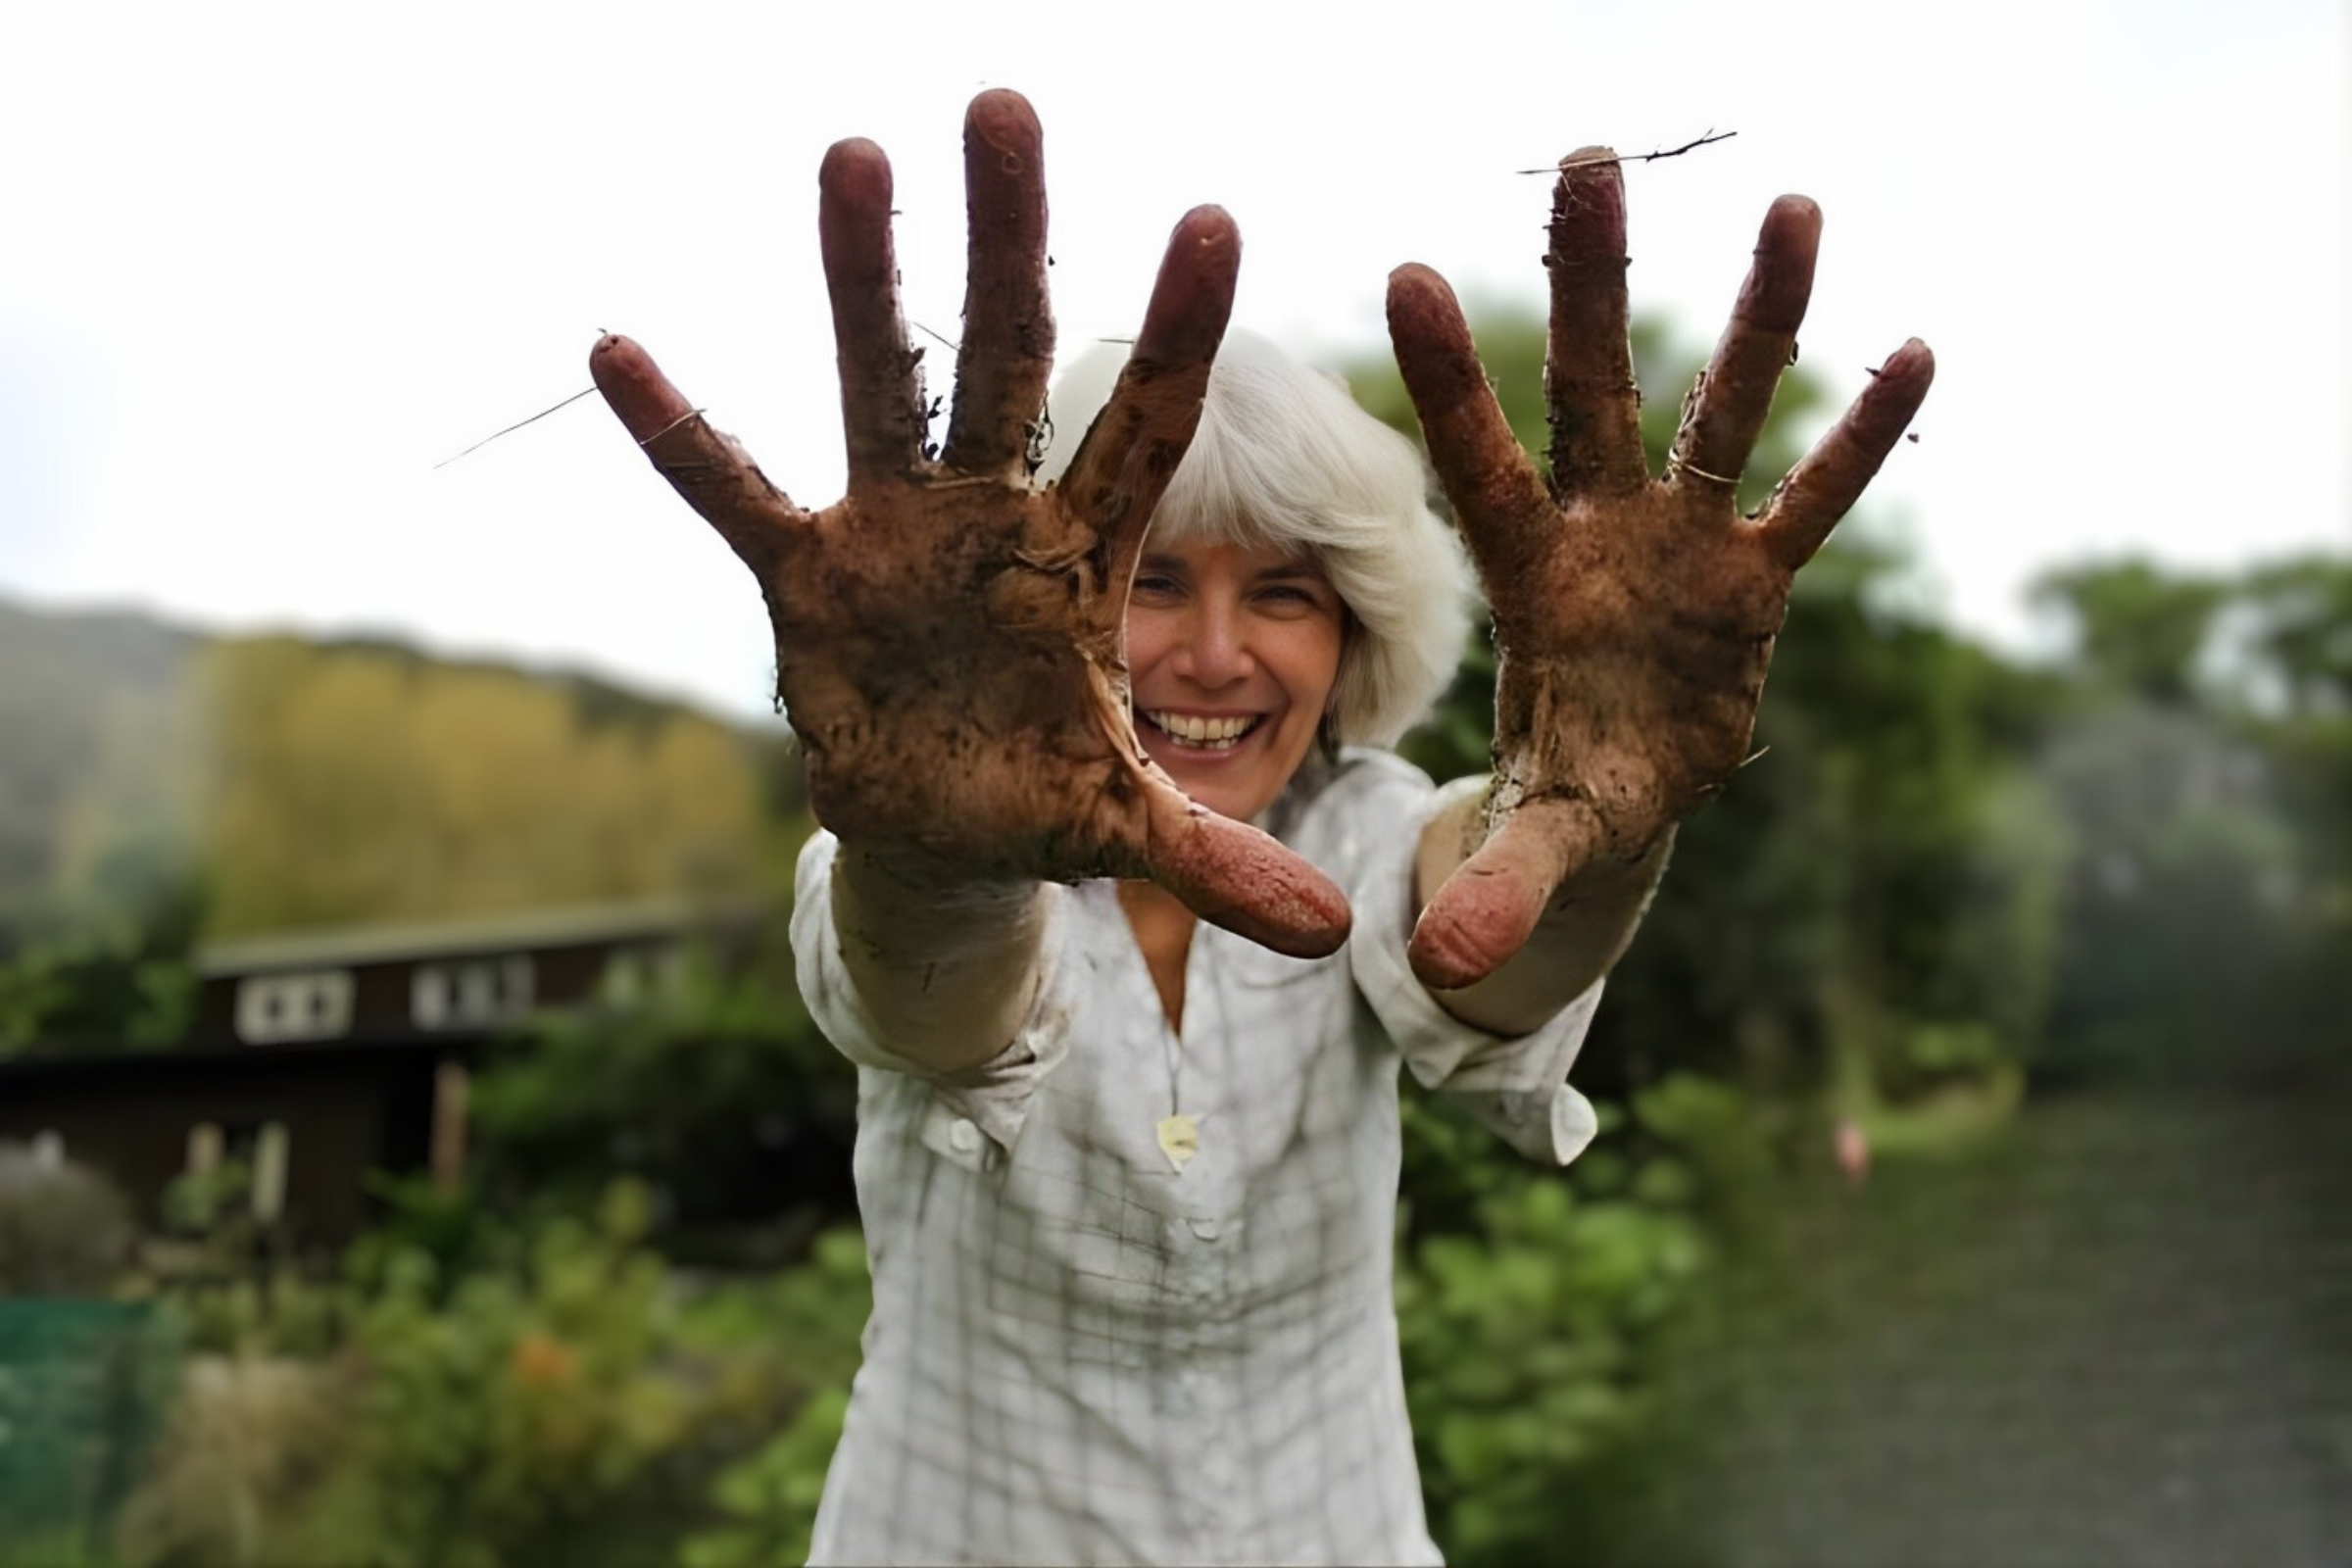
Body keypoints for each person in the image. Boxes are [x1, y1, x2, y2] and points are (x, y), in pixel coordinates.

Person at [590, 88, 1930, 1568]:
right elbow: (933, 999)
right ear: (1034, 609)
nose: (1218, 656)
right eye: (1152, 580)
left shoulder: (1364, 823)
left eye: (1283, 591)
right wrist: (935, 861)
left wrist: (1591, 831)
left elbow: (1484, 944)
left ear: (1353, 631)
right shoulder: (915, 850)